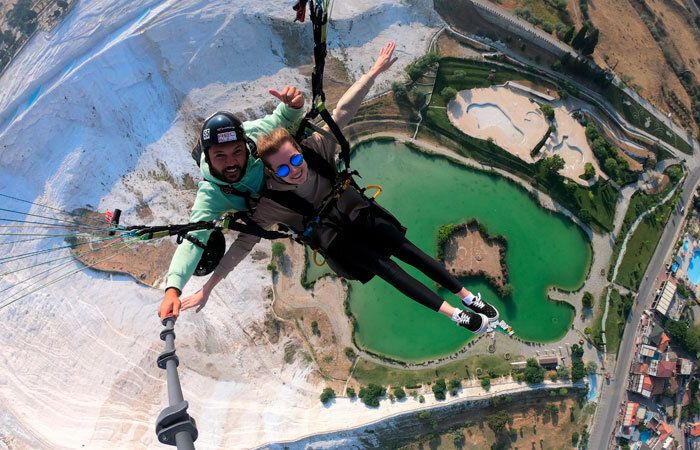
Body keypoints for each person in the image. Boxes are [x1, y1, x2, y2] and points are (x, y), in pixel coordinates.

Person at [171, 43, 500, 334]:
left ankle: (468, 297)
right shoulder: (269, 202)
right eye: (283, 170)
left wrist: (372, 73)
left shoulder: (316, 149)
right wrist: (208, 287)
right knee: (386, 269)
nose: (294, 171)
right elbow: (243, 244)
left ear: (300, 150)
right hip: (336, 238)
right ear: (270, 173)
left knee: (407, 250)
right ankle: (457, 314)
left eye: (295, 160)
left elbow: (342, 112)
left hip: (356, 212)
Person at [158, 86, 305, 320]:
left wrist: (294, 104)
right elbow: (194, 239)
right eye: (220, 156)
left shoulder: (255, 135)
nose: (231, 162)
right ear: (208, 157)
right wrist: (172, 290)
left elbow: (283, 118)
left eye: (237, 151)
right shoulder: (212, 193)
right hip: (281, 211)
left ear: (244, 145)